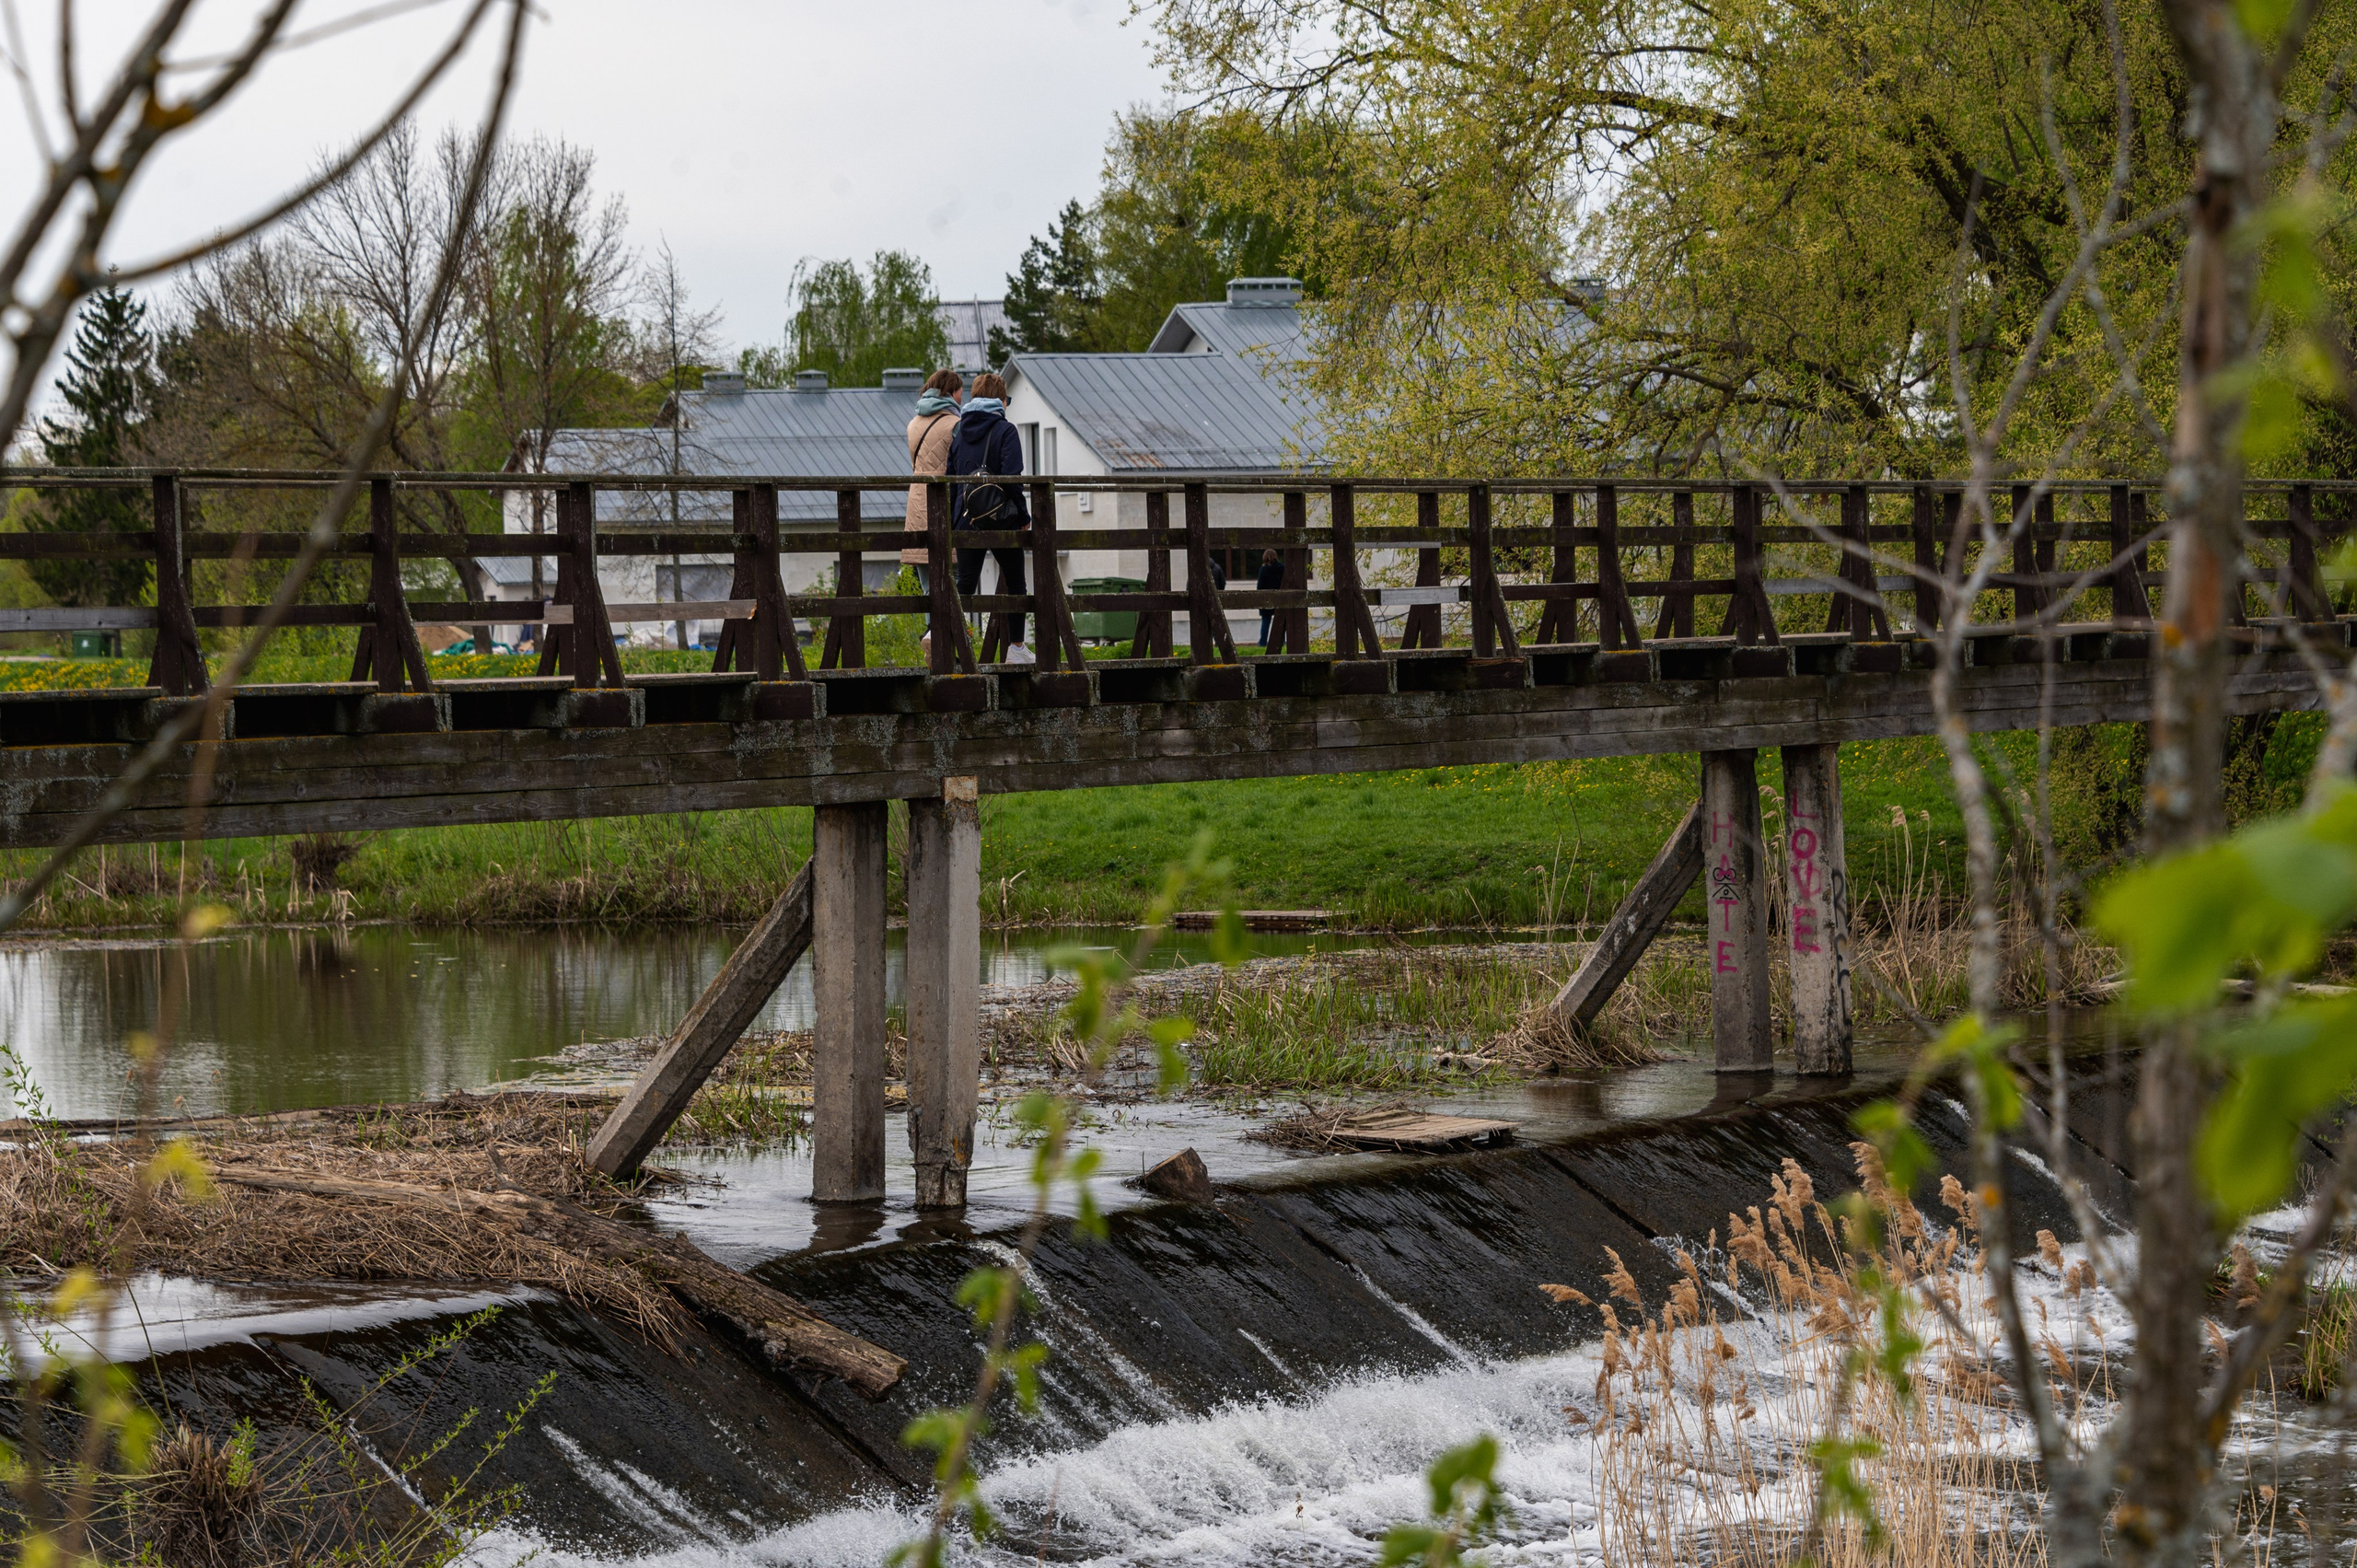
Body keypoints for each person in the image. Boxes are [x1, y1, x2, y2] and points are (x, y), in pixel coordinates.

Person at [945, 371, 1034, 664]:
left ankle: (954, 647)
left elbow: (950, 479)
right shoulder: (1005, 431)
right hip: (1002, 519)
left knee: (965, 585)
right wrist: (1023, 514)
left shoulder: (959, 433)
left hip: (966, 518)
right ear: (1000, 400)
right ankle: (1016, 649)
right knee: (1015, 583)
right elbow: (1013, 478)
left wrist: (953, 519)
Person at [903, 369, 962, 594]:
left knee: (928, 582)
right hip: (946, 501)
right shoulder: (955, 424)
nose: (961, 397)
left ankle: (932, 628)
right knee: (954, 576)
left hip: (917, 498)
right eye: (959, 391)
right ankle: (952, 628)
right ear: (950, 392)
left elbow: (915, 464)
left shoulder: (913, 424)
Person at [1256, 546, 1284, 649]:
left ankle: (1263, 642)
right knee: (1280, 621)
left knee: (1265, 621)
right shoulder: (1282, 568)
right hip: (1280, 598)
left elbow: (1260, 586)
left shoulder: (1264, 569)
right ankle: (1282, 643)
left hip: (1266, 599)